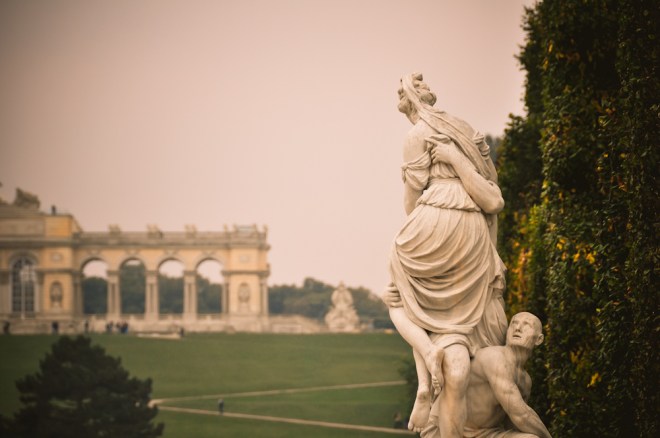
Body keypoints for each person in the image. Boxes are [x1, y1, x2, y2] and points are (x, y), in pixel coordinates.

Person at [384, 73, 508, 437]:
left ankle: (426, 365)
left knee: (398, 301)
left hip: (434, 225)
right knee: (415, 308)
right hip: (471, 233)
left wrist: (443, 170)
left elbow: (411, 202)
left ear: (405, 105)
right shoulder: (464, 129)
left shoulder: (416, 136)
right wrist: (457, 160)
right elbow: (493, 198)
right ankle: (430, 365)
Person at [421, 312, 552, 438]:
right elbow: (521, 415)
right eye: (514, 323)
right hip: (446, 430)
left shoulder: (525, 381)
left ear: (539, 339)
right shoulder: (495, 357)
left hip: (486, 434)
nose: (517, 328)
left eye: (526, 325)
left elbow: (514, 424)